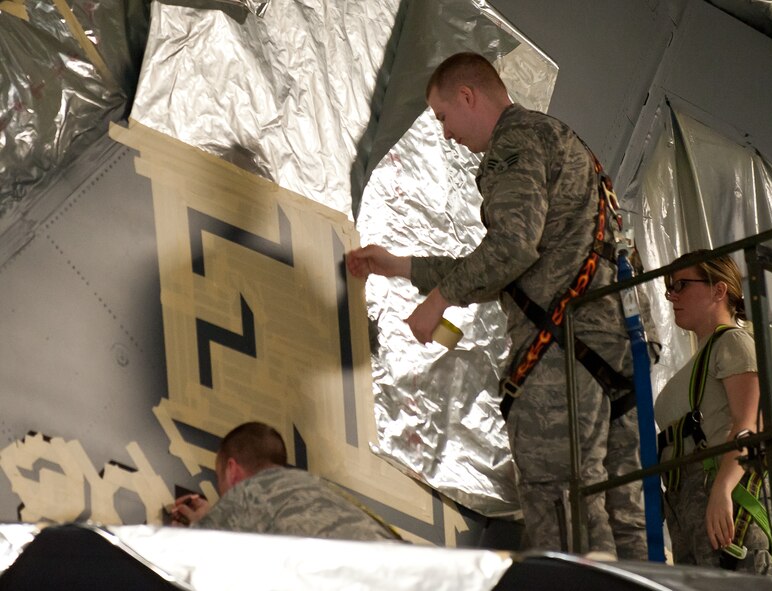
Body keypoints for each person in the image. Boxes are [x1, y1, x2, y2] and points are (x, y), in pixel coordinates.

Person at [346, 52, 652, 556]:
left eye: (444, 116)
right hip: (612, 350)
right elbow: (519, 263)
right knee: (621, 514)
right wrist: (400, 266)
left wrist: (439, 301)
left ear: (468, 96)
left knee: (559, 499)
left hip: (564, 355)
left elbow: (511, 246)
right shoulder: (560, 141)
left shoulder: (515, 142)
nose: (446, 134)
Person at [655, 251, 772, 574]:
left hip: (719, 488)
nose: (671, 295)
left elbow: (750, 423)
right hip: (687, 502)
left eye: (681, 285)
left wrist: (722, 490)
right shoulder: (702, 358)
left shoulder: (732, 342)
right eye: (669, 287)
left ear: (719, 290)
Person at [171, 422, 400, 542]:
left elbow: (201, 557)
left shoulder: (247, 494)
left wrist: (198, 526)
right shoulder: (318, 488)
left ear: (232, 470)